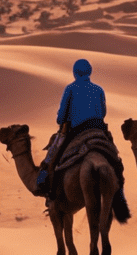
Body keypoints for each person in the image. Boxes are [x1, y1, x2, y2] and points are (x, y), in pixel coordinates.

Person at [38, 58, 106, 193]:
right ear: (90, 72)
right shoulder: (99, 90)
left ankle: (44, 183)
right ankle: (119, 186)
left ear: (74, 73)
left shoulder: (70, 89)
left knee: (53, 153)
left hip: (76, 131)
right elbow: (103, 113)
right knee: (113, 154)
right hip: (98, 130)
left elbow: (61, 117)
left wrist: (65, 117)